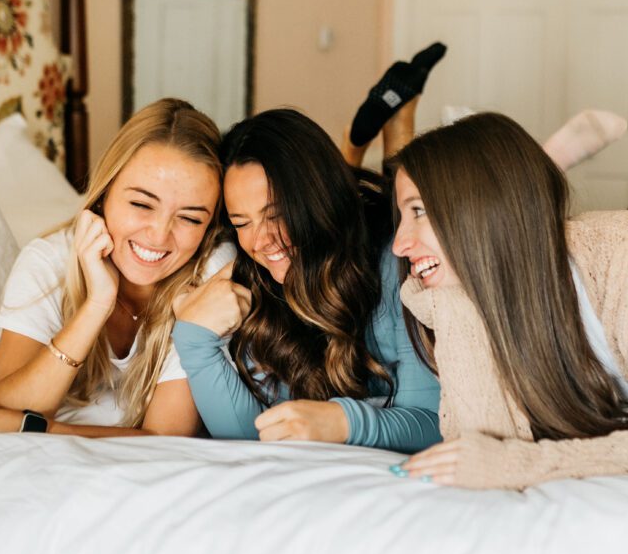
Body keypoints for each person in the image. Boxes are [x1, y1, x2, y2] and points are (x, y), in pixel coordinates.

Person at [385, 108, 628, 490]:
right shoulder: (450, 299)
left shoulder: (624, 245)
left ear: (476, 209)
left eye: (417, 211)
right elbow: (480, 446)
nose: (399, 245)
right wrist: (453, 310)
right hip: (526, 261)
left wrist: (520, 465)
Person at [170, 45, 447, 452]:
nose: (258, 242)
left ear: (313, 200)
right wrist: (193, 340)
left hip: (368, 222)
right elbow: (255, 439)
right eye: (241, 222)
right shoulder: (251, 281)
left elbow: (434, 423)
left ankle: (379, 133)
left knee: (406, 196)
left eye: (276, 214)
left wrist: (343, 421)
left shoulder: (395, 261)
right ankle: (381, 130)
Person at [0, 99, 234, 441]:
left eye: (190, 218)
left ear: (210, 225)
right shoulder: (49, 260)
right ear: (104, 194)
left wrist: (25, 426)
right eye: (140, 204)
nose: (159, 235)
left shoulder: (211, 272)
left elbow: (166, 436)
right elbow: (0, 403)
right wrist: (96, 305)